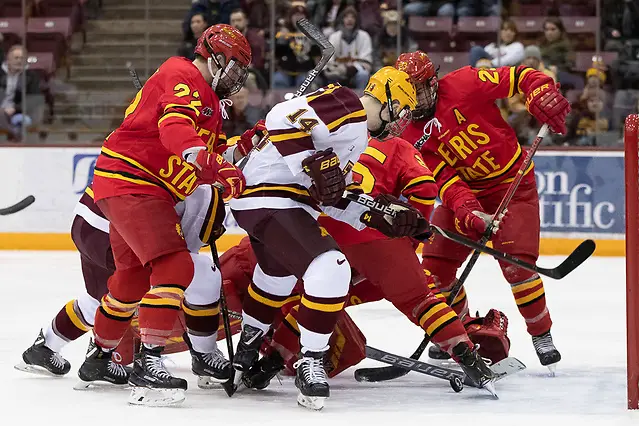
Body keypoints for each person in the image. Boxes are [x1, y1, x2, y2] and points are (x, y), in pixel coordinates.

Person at [237, 135, 499, 393]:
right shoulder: (399, 145)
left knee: (323, 301)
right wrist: (411, 237)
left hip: (323, 232)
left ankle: (270, 364)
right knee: (421, 299)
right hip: (375, 229)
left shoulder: (334, 138)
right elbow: (425, 188)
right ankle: (468, 357)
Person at [76, 24, 251, 406]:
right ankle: (148, 362)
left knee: (131, 278)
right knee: (175, 268)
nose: (237, 80)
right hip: (135, 181)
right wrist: (208, 162)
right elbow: (174, 129)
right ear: (216, 58)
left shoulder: (208, 101)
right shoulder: (182, 72)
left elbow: (210, 155)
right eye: (235, 68)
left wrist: (245, 146)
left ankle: (100, 356)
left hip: (133, 183)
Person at [228, 67, 423, 410]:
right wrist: (310, 163)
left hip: (275, 202)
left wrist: (381, 217)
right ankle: (311, 360)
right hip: (272, 195)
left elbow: (331, 197)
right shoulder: (348, 104)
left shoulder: (358, 139)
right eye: (403, 111)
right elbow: (282, 116)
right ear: (388, 99)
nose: (401, 122)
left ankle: (249, 341)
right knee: (331, 267)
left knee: (277, 274)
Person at [394, 51, 570, 371]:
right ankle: (459, 334)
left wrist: (540, 90)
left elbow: (521, 77)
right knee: (435, 269)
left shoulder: (465, 81)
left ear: (433, 83)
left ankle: (541, 334)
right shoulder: (409, 133)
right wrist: (470, 212)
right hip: (467, 194)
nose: (412, 97)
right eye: (406, 89)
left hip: (512, 186)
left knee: (517, 266)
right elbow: (444, 181)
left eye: (418, 88)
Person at [16, 184, 228, 390]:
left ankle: (46, 347)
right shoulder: (202, 189)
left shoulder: (184, 160)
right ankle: (204, 354)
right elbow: (176, 256)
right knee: (200, 274)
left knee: (100, 297)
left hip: (87, 221)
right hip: (116, 228)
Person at [325, 6, 373, 89]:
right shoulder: (334, 36)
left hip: (357, 71)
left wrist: (352, 68)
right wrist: (339, 68)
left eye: (352, 17)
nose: (349, 20)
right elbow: (329, 59)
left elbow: (366, 61)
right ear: (342, 20)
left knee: (363, 74)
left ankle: (360, 99)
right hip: (338, 71)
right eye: (346, 17)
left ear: (356, 20)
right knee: (332, 76)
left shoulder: (364, 36)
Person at [0, 45, 42, 141]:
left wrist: (14, 108)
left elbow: (33, 99)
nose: (19, 61)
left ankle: (14, 135)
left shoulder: (31, 76)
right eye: (16, 58)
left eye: (22, 58)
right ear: (8, 60)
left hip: (18, 111)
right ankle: (14, 133)